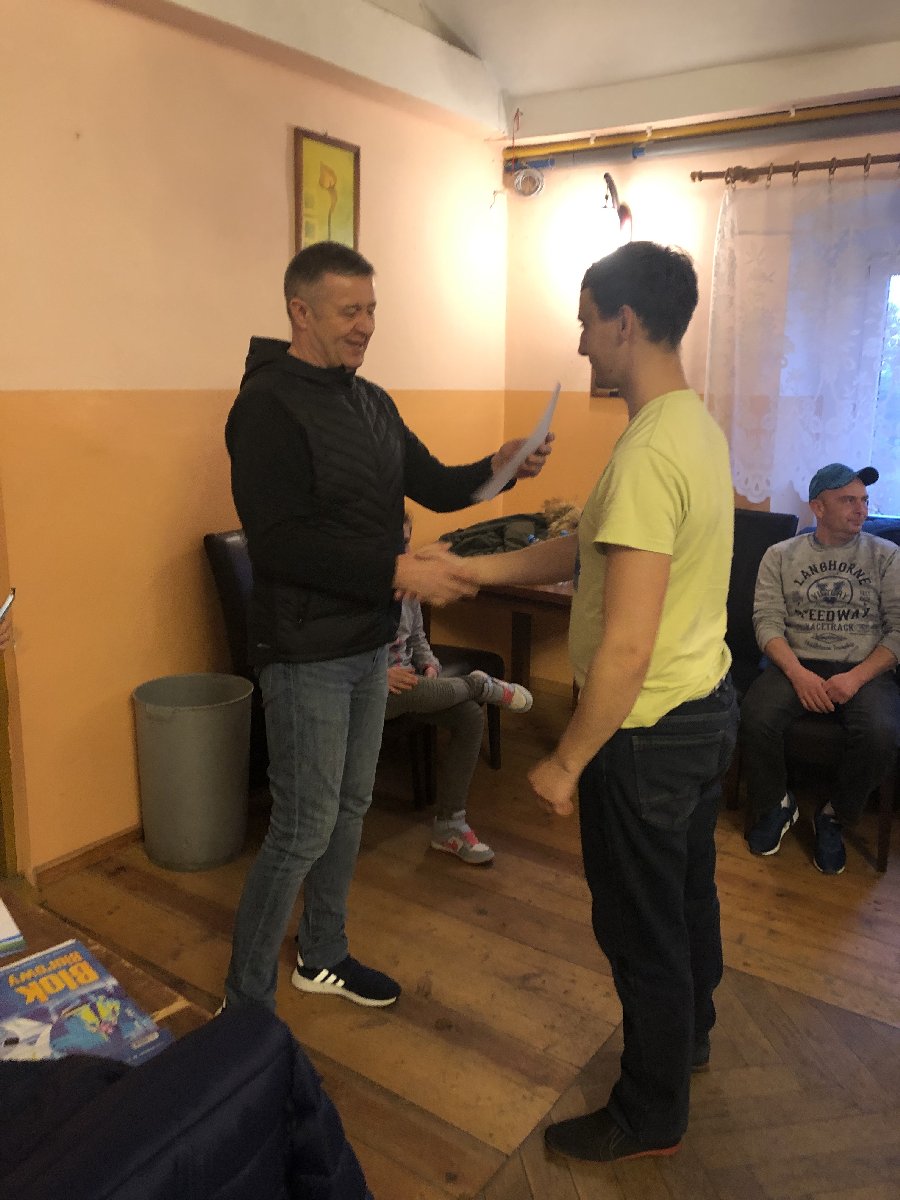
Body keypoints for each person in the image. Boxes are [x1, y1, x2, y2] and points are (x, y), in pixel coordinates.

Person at [222, 241, 551, 1013]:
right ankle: (243, 1004)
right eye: (350, 311)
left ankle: (323, 955)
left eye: (371, 309)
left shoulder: (369, 401)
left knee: (350, 810)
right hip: (303, 651)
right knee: (302, 828)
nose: (366, 325)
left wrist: (500, 464)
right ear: (301, 312)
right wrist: (397, 570)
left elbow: (434, 482)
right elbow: (281, 545)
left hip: (368, 644)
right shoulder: (266, 407)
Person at [464, 242, 738, 1162]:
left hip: (646, 733)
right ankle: (690, 1037)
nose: (581, 345)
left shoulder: (652, 450)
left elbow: (626, 644)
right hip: (700, 711)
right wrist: (465, 570)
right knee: (686, 897)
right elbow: (582, 548)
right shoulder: (689, 426)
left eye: (586, 324)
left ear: (624, 322)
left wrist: (565, 759)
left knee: (640, 928)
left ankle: (649, 1113)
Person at [742, 463, 900, 875]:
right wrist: (797, 674)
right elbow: (766, 622)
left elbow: (899, 630)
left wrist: (856, 677)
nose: (861, 509)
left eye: (864, 500)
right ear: (818, 507)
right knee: (756, 715)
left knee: (882, 732)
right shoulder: (781, 555)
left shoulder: (887, 556)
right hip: (796, 661)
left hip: (864, 666)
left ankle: (834, 815)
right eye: (848, 500)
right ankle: (776, 804)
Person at [386, 513, 533, 865]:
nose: (402, 551)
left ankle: (449, 826)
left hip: (410, 680)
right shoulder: (356, 589)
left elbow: (417, 638)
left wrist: (430, 664)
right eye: (393, 544)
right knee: (449, 692)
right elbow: (341, 653)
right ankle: (479, 684)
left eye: (405, 542)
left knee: (468, 716)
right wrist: (379, 674)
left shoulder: (409, 589)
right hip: (372, 689)